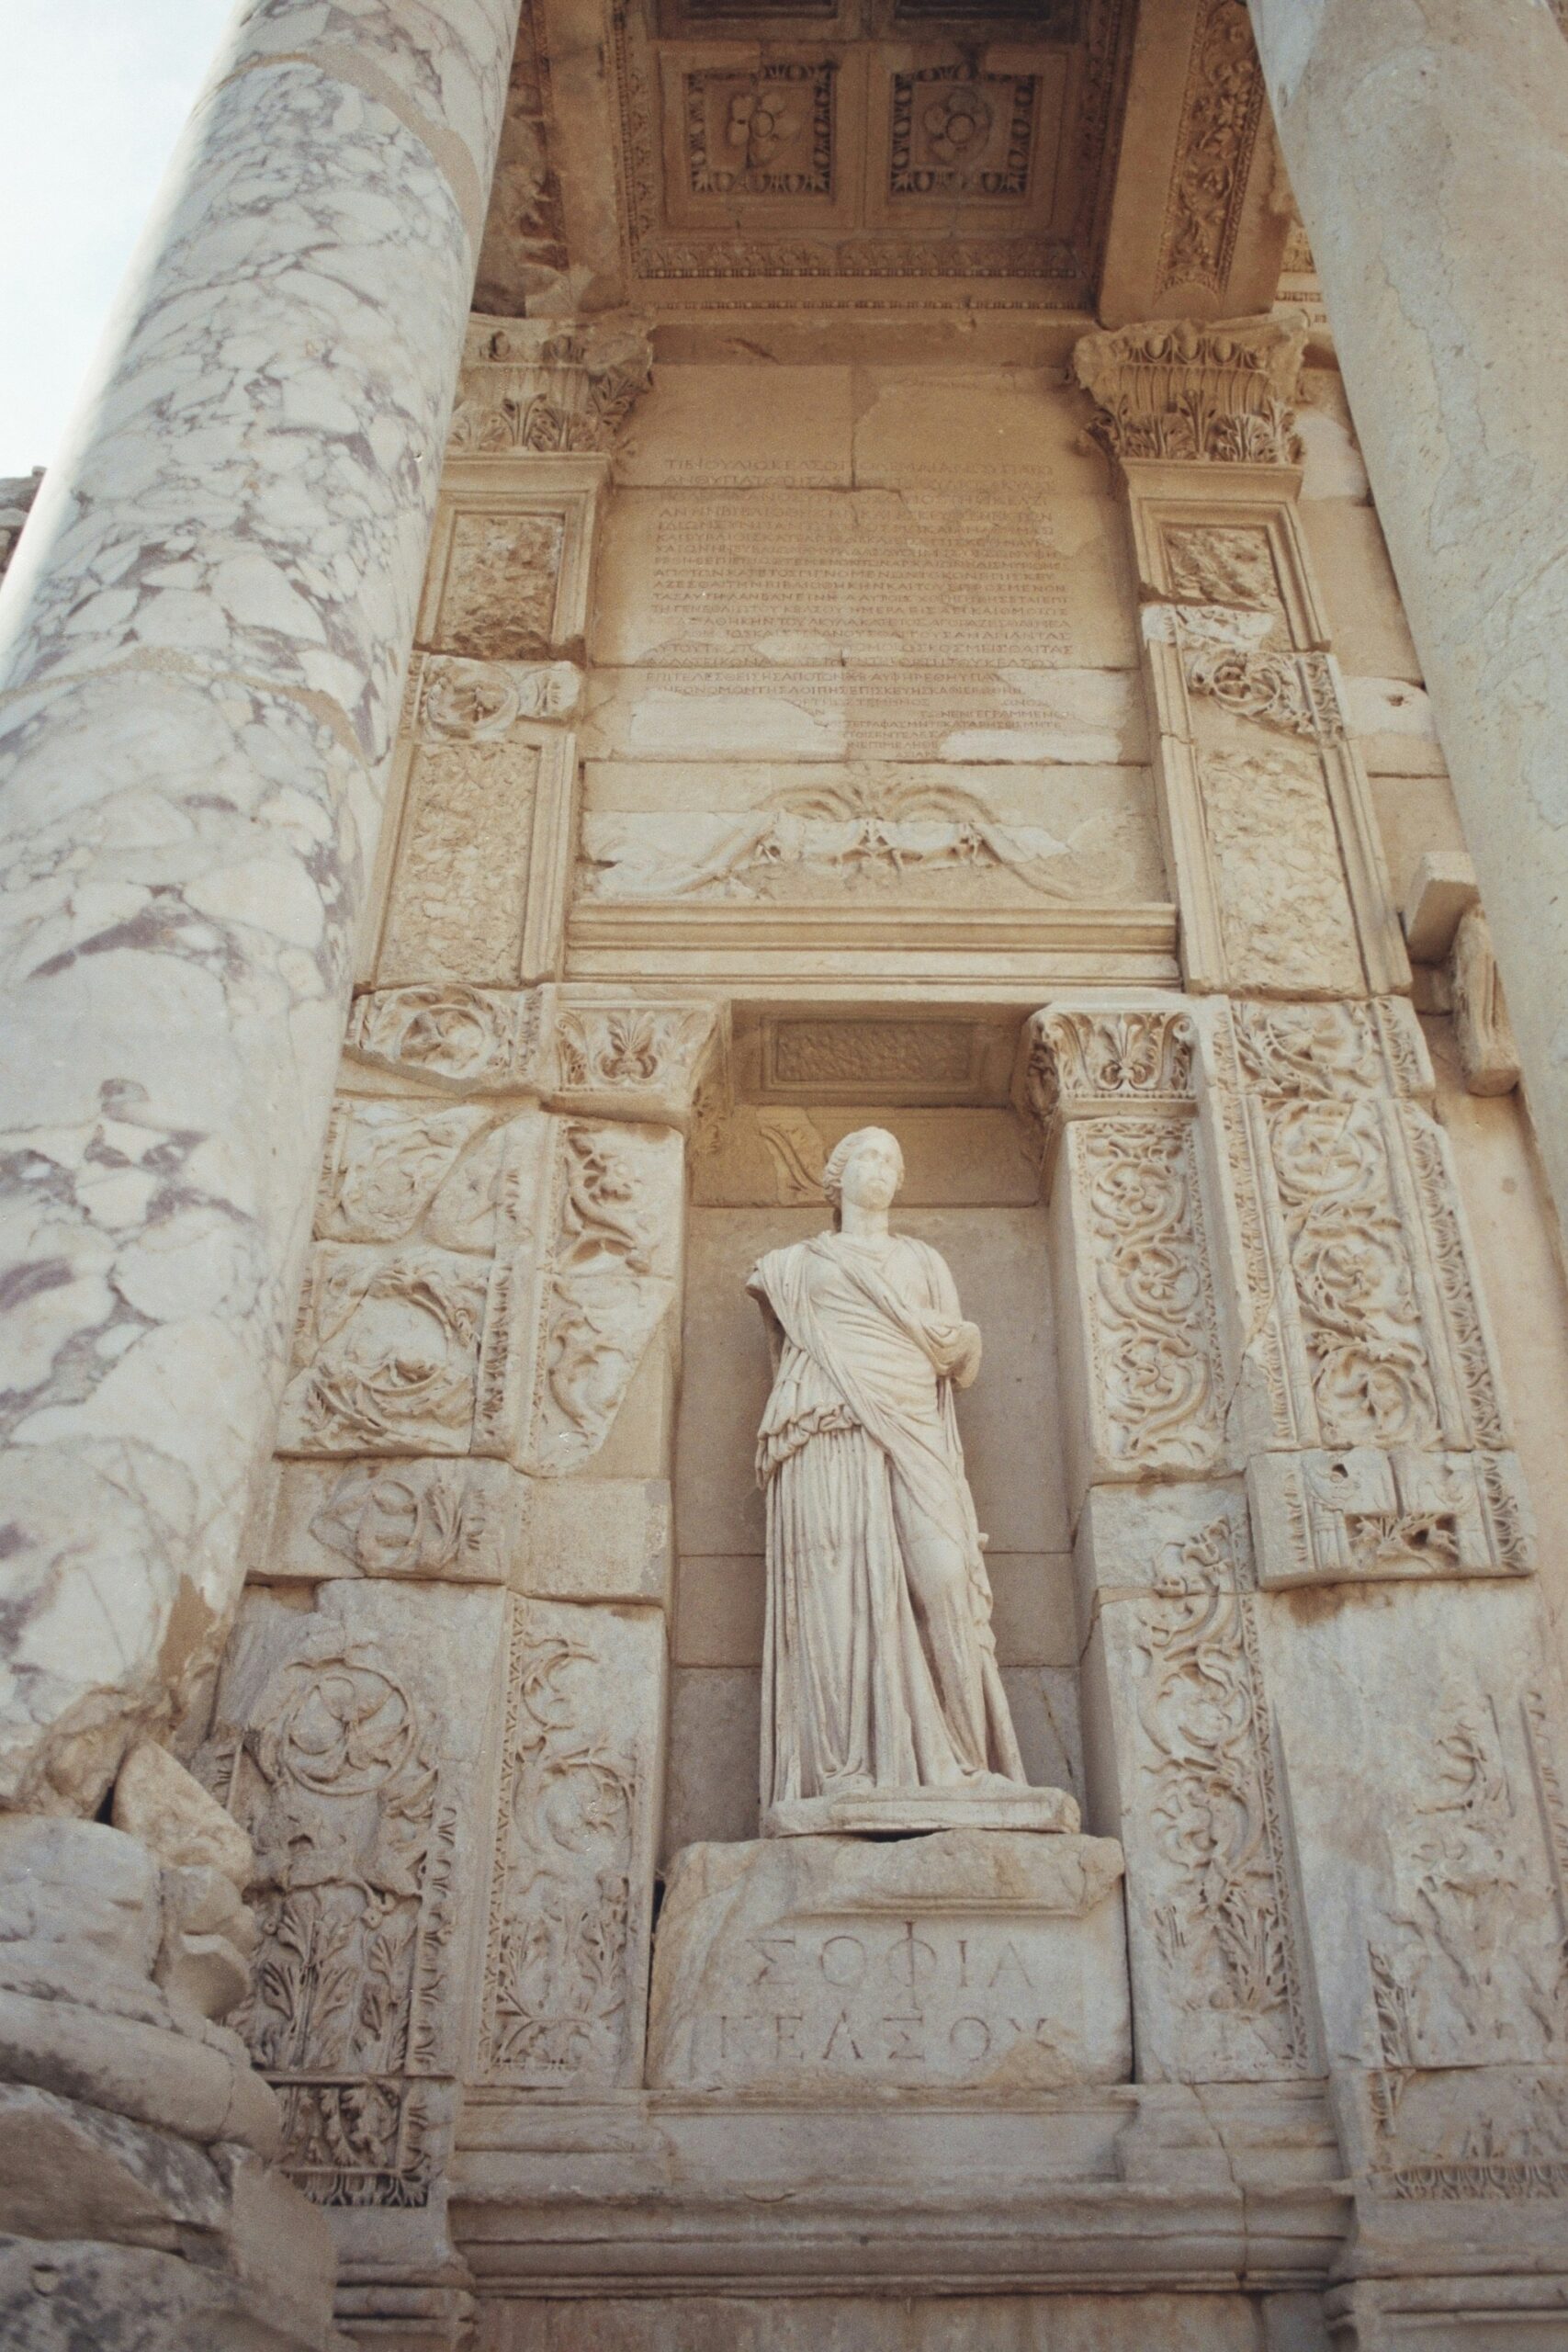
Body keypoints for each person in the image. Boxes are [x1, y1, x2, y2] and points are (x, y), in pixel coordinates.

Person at [746, 1125, 1027, 1818]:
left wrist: (960, 1342)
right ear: (835, 1178)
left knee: (946, 1580)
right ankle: (842, 1771)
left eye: (890, 1161)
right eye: (865, 1157)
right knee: (834, 1591)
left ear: (899, 1181)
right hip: (826, 1428)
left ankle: (963, 1763)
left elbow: (953, 1358)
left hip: (915, 1428)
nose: (877, 1169)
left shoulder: (923, 1261)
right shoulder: (789, 1266)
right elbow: (784, 1352)